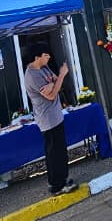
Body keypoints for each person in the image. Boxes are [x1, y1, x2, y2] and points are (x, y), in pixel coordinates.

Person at [23, 44, 78, 196]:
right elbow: (52, 95)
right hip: (47, 119)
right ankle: (56, 185)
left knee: (61, 150)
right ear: (38, 57)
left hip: (56, 115)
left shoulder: (44, 68)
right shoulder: (32, 76)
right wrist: (60, 76)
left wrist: (54, 82)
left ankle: (64, 179)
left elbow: (56, 85)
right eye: (46, 56)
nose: (49, 58)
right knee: (53, 153)